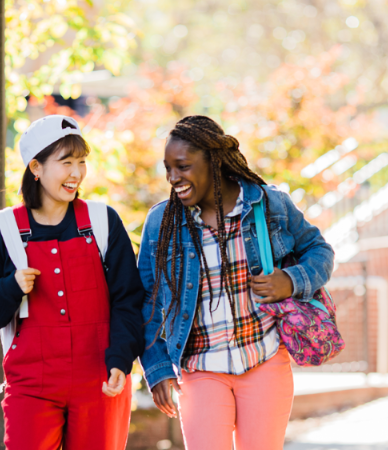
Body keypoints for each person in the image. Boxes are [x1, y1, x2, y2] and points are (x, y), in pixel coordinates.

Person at [138, 115, 335, 450]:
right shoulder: (163, 222)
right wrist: (156, 369)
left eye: (182, 166)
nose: (173, 178)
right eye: (168, 168)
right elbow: (146, 300)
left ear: (213, 161)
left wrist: (290, 280)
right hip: (200, 369)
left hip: (264, 361)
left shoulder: (269, 204)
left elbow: (319, 250)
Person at [0, 115, 144, 450]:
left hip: (100, 379)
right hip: (31, 385)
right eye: (66, 162)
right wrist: (11, 286)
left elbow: (129, 299)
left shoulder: (102, 222)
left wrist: (120, 359)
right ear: (36, 167)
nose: (76, 173)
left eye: (81, 162)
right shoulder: (4, 229)